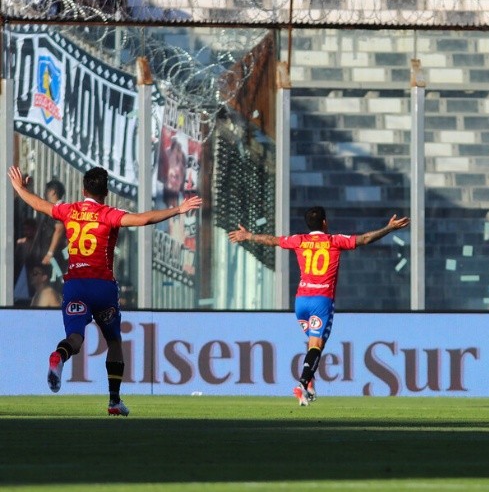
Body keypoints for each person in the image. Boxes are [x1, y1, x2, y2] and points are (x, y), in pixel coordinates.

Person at [8, 165, 202, 416]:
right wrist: (178, 209)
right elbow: (143, 219)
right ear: (106, 192)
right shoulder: (109, 214)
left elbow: (39, 205)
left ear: (83, 190)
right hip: (102, 287)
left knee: (75, 339)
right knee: (114, 342)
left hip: (75, 285)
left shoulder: (69, 210)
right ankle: (114, 401)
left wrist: (20, 188)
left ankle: (58, 357)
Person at [228, 206, 410, 406]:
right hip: (321, 301)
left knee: (312, 345)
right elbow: (364, 239)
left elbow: (272, 240)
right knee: (316, 345)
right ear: (325, 222)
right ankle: (302, 384)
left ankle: (310, 384)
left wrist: (248, 236)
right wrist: (389, 228)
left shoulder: (299, 240)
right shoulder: (334, 241)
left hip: (301, 302)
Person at [29, 179, 68, 289]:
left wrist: (50, 253)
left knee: (54, 285)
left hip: (55, 257)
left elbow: (59, 230)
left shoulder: (60, 208)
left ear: (53, 192)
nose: (45, 194)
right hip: (49, 256)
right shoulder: (52, 208)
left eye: (46, 191)